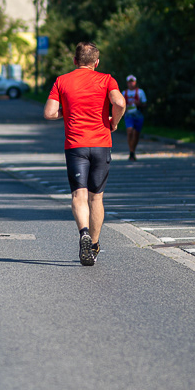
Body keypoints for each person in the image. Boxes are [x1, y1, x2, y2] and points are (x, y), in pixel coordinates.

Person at [43, 42, 125, 266]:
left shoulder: (62, 81)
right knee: (96, 197)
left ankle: (84, 234)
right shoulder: (107, 79)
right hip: (101, 144)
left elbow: (49, 113)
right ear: (96, 62)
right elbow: (119, 102)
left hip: (75, 146)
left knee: (79, 195)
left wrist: (68, 111)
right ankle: (94, 245)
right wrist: (114, 122)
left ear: (74, 60)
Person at [123, 75, 147, 161]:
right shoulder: (124, 93)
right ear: (127, 83)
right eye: (129, 82)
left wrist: (139, 104)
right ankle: (131, 151)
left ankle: (133, 151)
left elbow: (145, 104)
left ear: (135, 82)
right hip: (128, 115)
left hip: (138, 115)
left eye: (132, 81)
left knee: (136, 134)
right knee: (129, 131)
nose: (131, 83)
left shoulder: (140, 92)